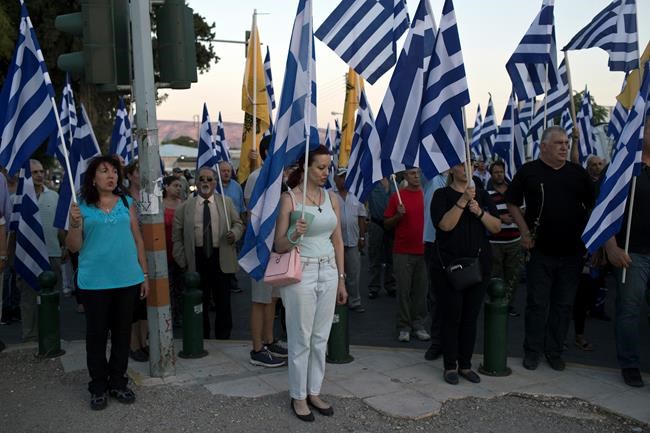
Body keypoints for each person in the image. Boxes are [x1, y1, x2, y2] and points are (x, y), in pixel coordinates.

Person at [506, 126, 595, 372]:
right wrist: (524, 231)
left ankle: (554, 351)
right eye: (559, 143)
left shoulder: (577, 173)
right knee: (537, 304)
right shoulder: (529, 171)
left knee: (563, 305)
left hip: (572, 253)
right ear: (543, 147)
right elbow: (512, 202)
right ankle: (532, 351)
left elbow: (594, 205)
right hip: (540, 252)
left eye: (566, 143)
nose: (564, 147)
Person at [65, 155, 149, 410]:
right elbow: (73, 247)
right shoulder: (80, 206)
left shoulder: (126, 202)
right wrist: (74, 225)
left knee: (122, 335)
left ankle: (118, 382)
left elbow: (137, 239)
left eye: (114, 171)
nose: (111, 175)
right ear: (93, 178)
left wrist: (144, 274)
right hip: (94, 282)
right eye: (104, 171)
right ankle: (98, 386)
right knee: (97, 336)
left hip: (127, 279)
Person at [274, 145, 347, 422]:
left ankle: (314, 391)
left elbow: (337, 240)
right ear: (306, 168)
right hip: (300, 272)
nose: (326, 172)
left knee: (320, 338)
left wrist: (341, 279)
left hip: (328, 270)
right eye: (320, 167)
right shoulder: (289, 199)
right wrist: (294, 233)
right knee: (301, 337)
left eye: (328, 167)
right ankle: (298, 395)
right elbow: (279, 245)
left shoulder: (332, 198)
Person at [431, 164, 501, 385]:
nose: (466, 168)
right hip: (451, 268)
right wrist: (462, 202)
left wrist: (479, 212)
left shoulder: (482, 195)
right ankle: (450, 365)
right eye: (461, 164)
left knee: (470, 318)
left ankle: (465, 364)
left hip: (478, 267)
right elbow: (444, 225)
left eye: (468, 163)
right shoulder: (441, 195)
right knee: (452, 317)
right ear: (451, 170)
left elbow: (496, 226)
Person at [603, 116, 650, 387]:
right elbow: (604, 211)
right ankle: (630, 364)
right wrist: (611, 247)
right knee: (630, 310)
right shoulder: (624, 166)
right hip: (632, 254)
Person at [172, 166, 243, 340]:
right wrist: (183, 261)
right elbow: (177, 238)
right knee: (199, 302)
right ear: (196, 182)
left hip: (221, 257)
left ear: (215, 182)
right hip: (196, 258)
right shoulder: (185, 207)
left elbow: (238, 223)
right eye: (201, 179)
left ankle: (223, 338)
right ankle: (201, 337)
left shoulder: (226, 203)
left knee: (223, 302)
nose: (205, 182)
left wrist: (234, 234)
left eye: (209, 179)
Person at [243, 136, 287, 368]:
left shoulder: (280, 178)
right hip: (262, 247)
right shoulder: (257, 177)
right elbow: (252, 213)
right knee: (260, 299)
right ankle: (257, 348)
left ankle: (269, 340)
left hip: (277, 248)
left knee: (272, 297)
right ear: (268, 151)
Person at [14, 159, 64, 342]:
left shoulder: (54, 196)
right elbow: (12, 231)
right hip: (27, 256)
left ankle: (52, 336)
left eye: (41, 171)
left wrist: (64, 246)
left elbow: (60, 225)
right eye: (35, 172)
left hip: (52, 253)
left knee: (53, 298)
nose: (39, 175)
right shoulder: (17, 200)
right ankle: (30, 336)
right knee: (28, 299)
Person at [384, 168, 430, 343]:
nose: (416, 176)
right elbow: (387, 223)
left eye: (418, 173)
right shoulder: (397, 197)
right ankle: (404, 326)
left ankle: (418, 324)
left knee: (421, 291)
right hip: (402, 252)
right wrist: (398, 215)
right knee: (403, 291)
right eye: (412, 173)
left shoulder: (427, 195)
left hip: (424, 251)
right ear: (405, 176)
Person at [486, 160, 524, 318]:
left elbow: (523, 209)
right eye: (496, 172)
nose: (499, 175)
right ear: (491, 174)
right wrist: (501, 218)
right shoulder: (487, 194)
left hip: (514, 241)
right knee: (495, 274)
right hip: (495, 242)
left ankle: (508, 304)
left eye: (501, 172)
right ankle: (494, 302)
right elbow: (483, 213)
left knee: (512, 275)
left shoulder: (513, 191)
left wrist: (519, 212)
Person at [124, 161, 149, 362]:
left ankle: (144, 341)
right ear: (130, 175)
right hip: (131, 254)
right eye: (138, 171)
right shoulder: (124, 199)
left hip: (151, 254)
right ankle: (133, 344)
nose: (142, 175)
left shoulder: (151, 196)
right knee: (133, 302)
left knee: (146, 303)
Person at [334, 167, 367, 313]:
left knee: (354, 272)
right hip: (336, 242)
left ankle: (355, 301)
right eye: (341, 177)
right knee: (337, 273)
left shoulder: (356, 195)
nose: (344, 180)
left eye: (346, 177)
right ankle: (338, 301)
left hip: (353, 240)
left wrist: (362, 236)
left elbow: (361, 218)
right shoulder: (330, 195)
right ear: (335, 179)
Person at [422, 172, 447, 361]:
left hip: (457, 245)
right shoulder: (431, 177)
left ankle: (454, 343)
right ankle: (437, 341)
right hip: (433, 242)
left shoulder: (470, 182)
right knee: (436, 296)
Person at [217, 160, 245, 294]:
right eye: (223, 171)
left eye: (228, 171)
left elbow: (242, 206)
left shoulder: (236, 186)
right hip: (218, 225)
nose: (226, 173)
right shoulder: (214, 187)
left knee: (233, 254)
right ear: (218, 172)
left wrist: (243, 224)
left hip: (234, 225)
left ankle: (232, 280)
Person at [367, 178, 397, 299]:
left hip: (391, 223)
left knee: (391, 256)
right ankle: (374, 286)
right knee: (375, 256)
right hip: (377, 222)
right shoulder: (372, 183)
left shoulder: (394, 183)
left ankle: (391, 284)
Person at [162, 175, 184, 328]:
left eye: (180, 186)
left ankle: (179, 315)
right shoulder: (160, 205)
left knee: (179, 286)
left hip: (179, 251)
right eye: (175, 185)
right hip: (164, 251)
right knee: (167, 286)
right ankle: (167, 316)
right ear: (166, 187)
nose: (178, 188)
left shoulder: (183, 204)